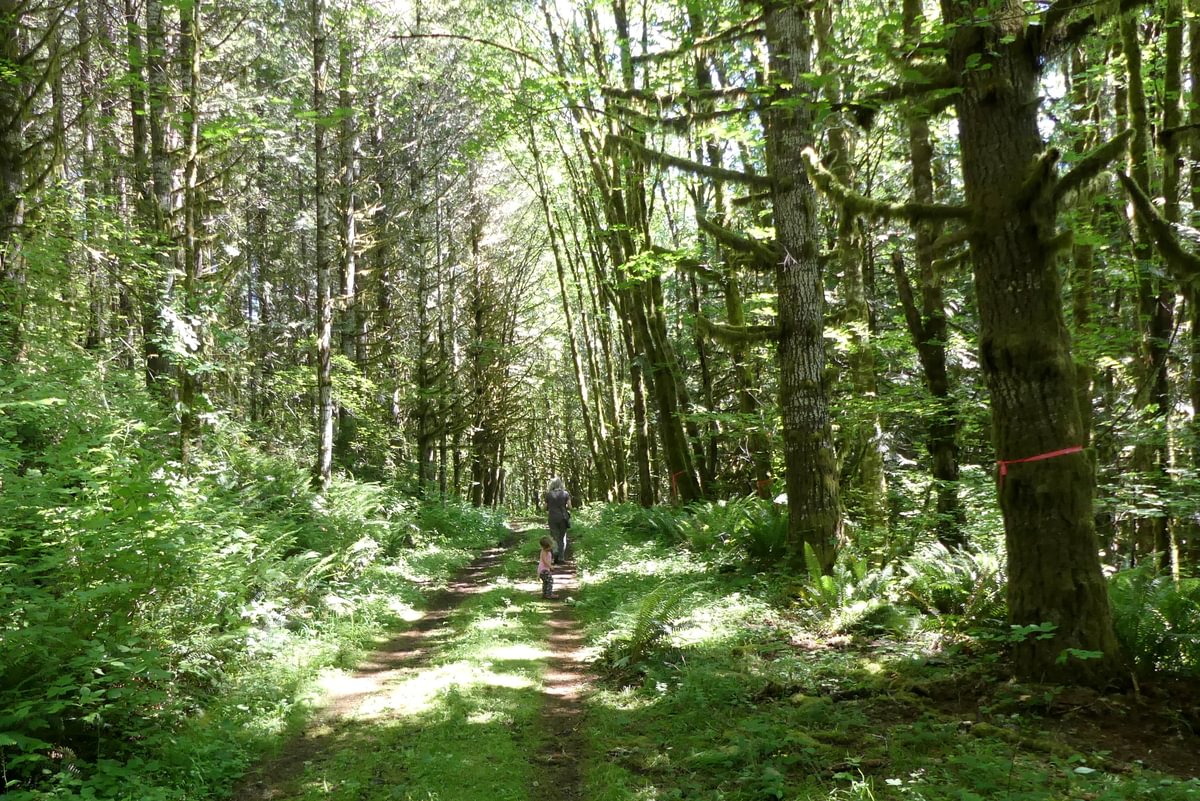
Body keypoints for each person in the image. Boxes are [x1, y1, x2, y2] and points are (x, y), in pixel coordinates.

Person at [543, 477, 572, 564]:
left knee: (554, 537)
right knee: (562, 538)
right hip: (563, 518)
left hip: (552, 518)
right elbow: (570, 507)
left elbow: (544, 508)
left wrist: (550, 507)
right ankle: (561, 558)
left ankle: (555, 551)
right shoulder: (565, 494)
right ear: (561, 484)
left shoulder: (548, 495)